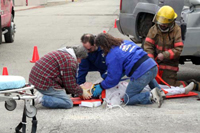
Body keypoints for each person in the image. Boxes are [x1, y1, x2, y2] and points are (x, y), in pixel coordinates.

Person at [92, 33, 164, 108]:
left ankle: (152, 95)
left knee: (129, 98)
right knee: (147, 73)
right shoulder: (125, 42)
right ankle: (160, 92)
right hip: (152, 65)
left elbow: (113, 78)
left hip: (142, 73)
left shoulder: (112, 55)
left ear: (103, 46)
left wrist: (101, 86)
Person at [143, 5, 200, 91]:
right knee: (152, 83)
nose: (162, 25)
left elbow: (178, 49)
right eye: (161, 22)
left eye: (164, 24)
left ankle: (191, 84)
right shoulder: (154, 29)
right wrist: (151, 59)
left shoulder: (176, 30)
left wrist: (165, 55)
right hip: (156, 62)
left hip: (170, 63)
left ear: (171, 22)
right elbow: (148, 45)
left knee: (170, 86)